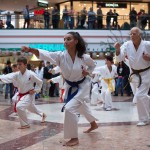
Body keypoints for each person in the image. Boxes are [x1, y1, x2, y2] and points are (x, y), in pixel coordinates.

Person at [22, 31, 98, 146]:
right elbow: (46, 54)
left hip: (83, 86)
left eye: (68, 39)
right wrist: (31, 50)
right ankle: (93, 124)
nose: (65, 42)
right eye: (64, 39)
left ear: (76, 41)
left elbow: (93, 65)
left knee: (69, 108)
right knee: (81, 106)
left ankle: (74, 138)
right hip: (70, 85)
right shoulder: (60, 56)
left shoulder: (84, 57)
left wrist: (88, 72)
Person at [114, 27, 150, 126]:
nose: (132, 36)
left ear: (139, 35)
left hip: (146, 73)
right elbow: (120, 58)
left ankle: (144, 119)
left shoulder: (147, 45)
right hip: (135, 74)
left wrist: (149, 58)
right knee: (143, 96)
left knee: (139, 96)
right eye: (131, 34)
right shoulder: (127, 45)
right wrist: (117, 49)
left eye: (134, 34)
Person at [0, 57, 46, 129]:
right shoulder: (17, 74)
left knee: (19, 106)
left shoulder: (31, 74)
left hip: (29, 94)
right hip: (21, 94)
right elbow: (8, 76)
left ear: (25, 65)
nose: (18, 66)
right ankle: (43, 114)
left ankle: (25, 124)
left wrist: (35, 90)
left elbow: (40, 82)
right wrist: (1, 77)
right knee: (31, 108)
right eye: (18, 64)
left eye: (20, 64)